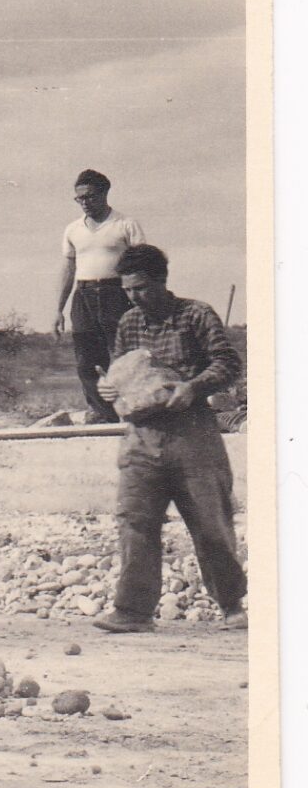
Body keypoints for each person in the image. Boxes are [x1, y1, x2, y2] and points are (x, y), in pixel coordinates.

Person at [93, 244, 246, 633]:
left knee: (210, 522)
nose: (134, 297)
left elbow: (228, 362)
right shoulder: (129, 322)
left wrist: (193, 387)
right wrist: (108, 388)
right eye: (127, 290)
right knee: (135, 521)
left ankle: (231, 606)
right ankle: (133, 611)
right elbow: (119, 369)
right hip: (142, 436)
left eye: (141, 288)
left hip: (193, 433)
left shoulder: (196, 314)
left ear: (161, 281)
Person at [54, 169, 146, 423]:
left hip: (116, 294)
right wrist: (58, 309)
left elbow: (142, 263)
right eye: (79, 198)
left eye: (90, 197)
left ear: (104, 193)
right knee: (87, 359)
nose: (85, 202)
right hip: (83, 296)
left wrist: (140, 300)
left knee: (126, 355)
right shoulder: (72, 229)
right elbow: (69, 269)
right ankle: (103, 414)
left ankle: (137, 407)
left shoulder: (125, 224)